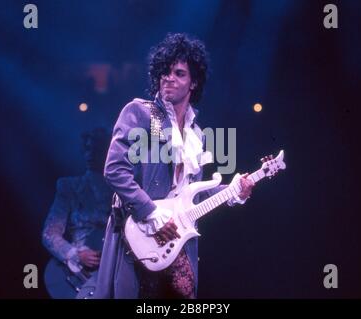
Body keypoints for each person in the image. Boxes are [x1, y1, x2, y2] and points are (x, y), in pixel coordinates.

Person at [92, 33, 254, 299]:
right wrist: (151, 212)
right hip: (139, 234)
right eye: (165, 72)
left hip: (176, 242)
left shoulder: (196, 135)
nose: (169, 78)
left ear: (194, 83)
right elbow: (115, 170)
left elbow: (191, 195)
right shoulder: (141, 113)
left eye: (179, 73)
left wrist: (233, 190)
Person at [42, 127, 112, 297]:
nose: (90, 154)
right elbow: (50, 234)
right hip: (80, 273)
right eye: (87, 148)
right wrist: (76, 255)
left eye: (96, 148)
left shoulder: (122, 188)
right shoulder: (69, 186)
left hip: (113, 265)